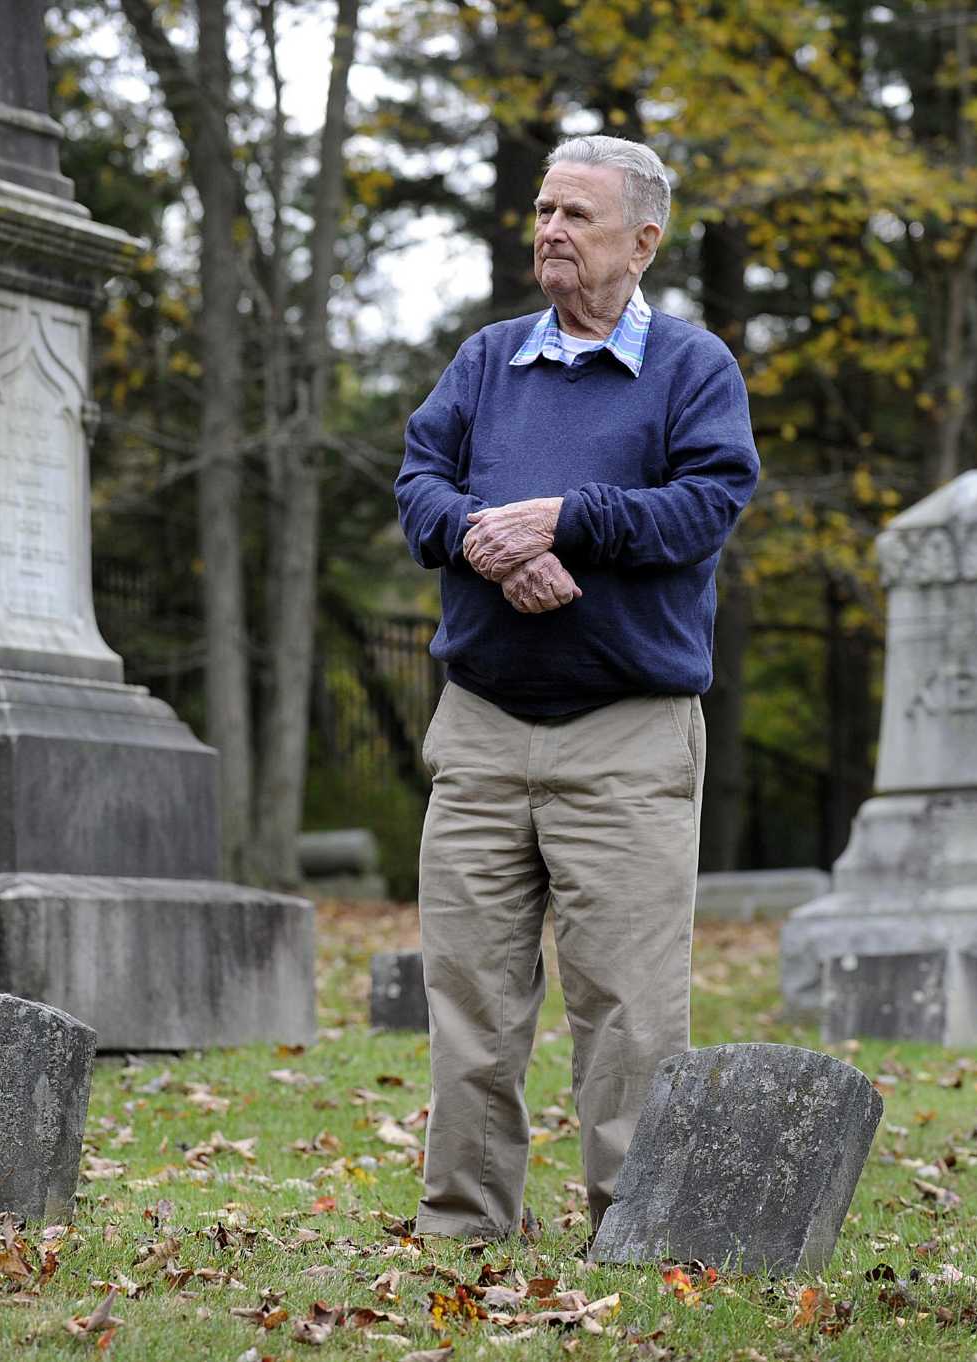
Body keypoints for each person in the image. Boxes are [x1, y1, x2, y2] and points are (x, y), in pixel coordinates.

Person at [394, 134, 761, 1240]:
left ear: (641, 242)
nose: (549, 231)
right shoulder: (487, 359)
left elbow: (707, 504)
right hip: (481, 731)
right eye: (543, 211)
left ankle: (635, 1235)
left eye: (576, 217)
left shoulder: (691, 369)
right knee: (469, 1005)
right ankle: (460, 1234)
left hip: (626, 736)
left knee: (632, 1015)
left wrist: (568, 519)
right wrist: (484, 541)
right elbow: (419, 483)